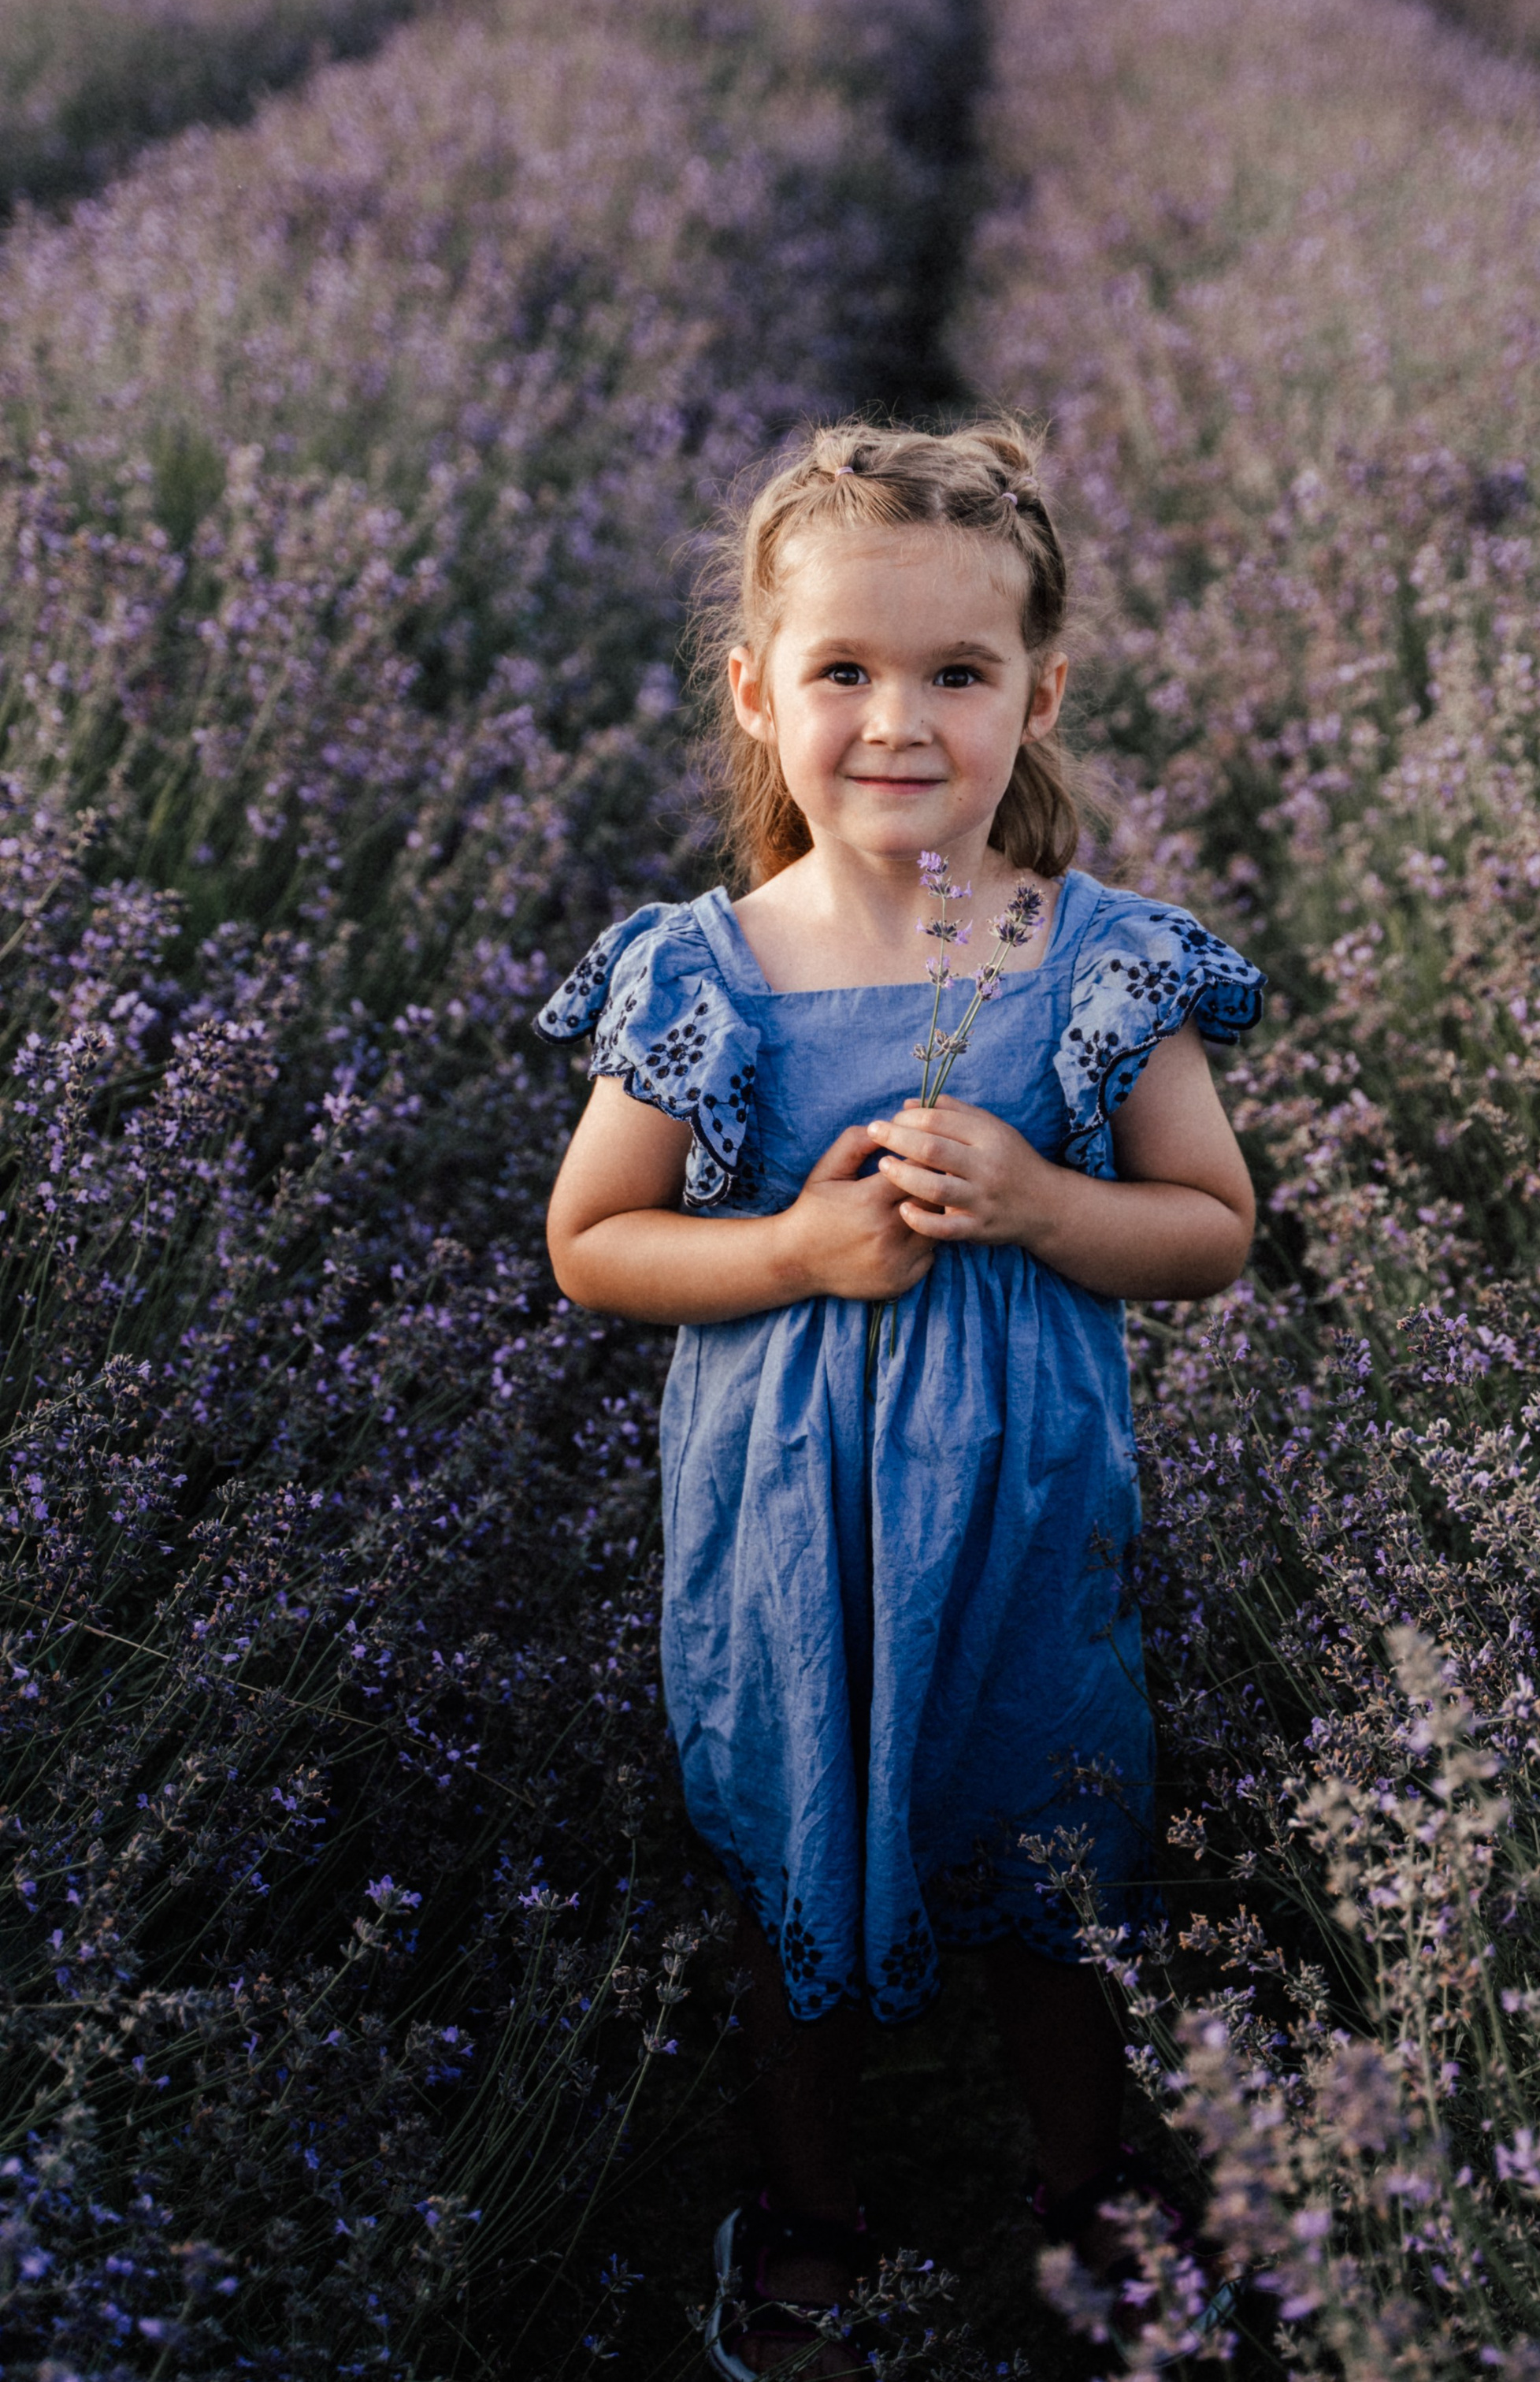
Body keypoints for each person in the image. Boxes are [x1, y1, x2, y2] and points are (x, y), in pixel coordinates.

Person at [538, 421, 1263, 2376]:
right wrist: (787, 1248)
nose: (895, 719)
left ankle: (1086, 2189)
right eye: (843, 671)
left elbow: (1208, 1225)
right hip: (785, 1531)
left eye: (955, 672)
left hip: (1029, 1515)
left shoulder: (1099, 961)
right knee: (794, 1840)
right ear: (756, 692)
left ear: (1041, 691)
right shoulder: (708, 974)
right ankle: (810, 2202)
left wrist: (1041, 1200)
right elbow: (593, 1240)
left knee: (1056, 1844)